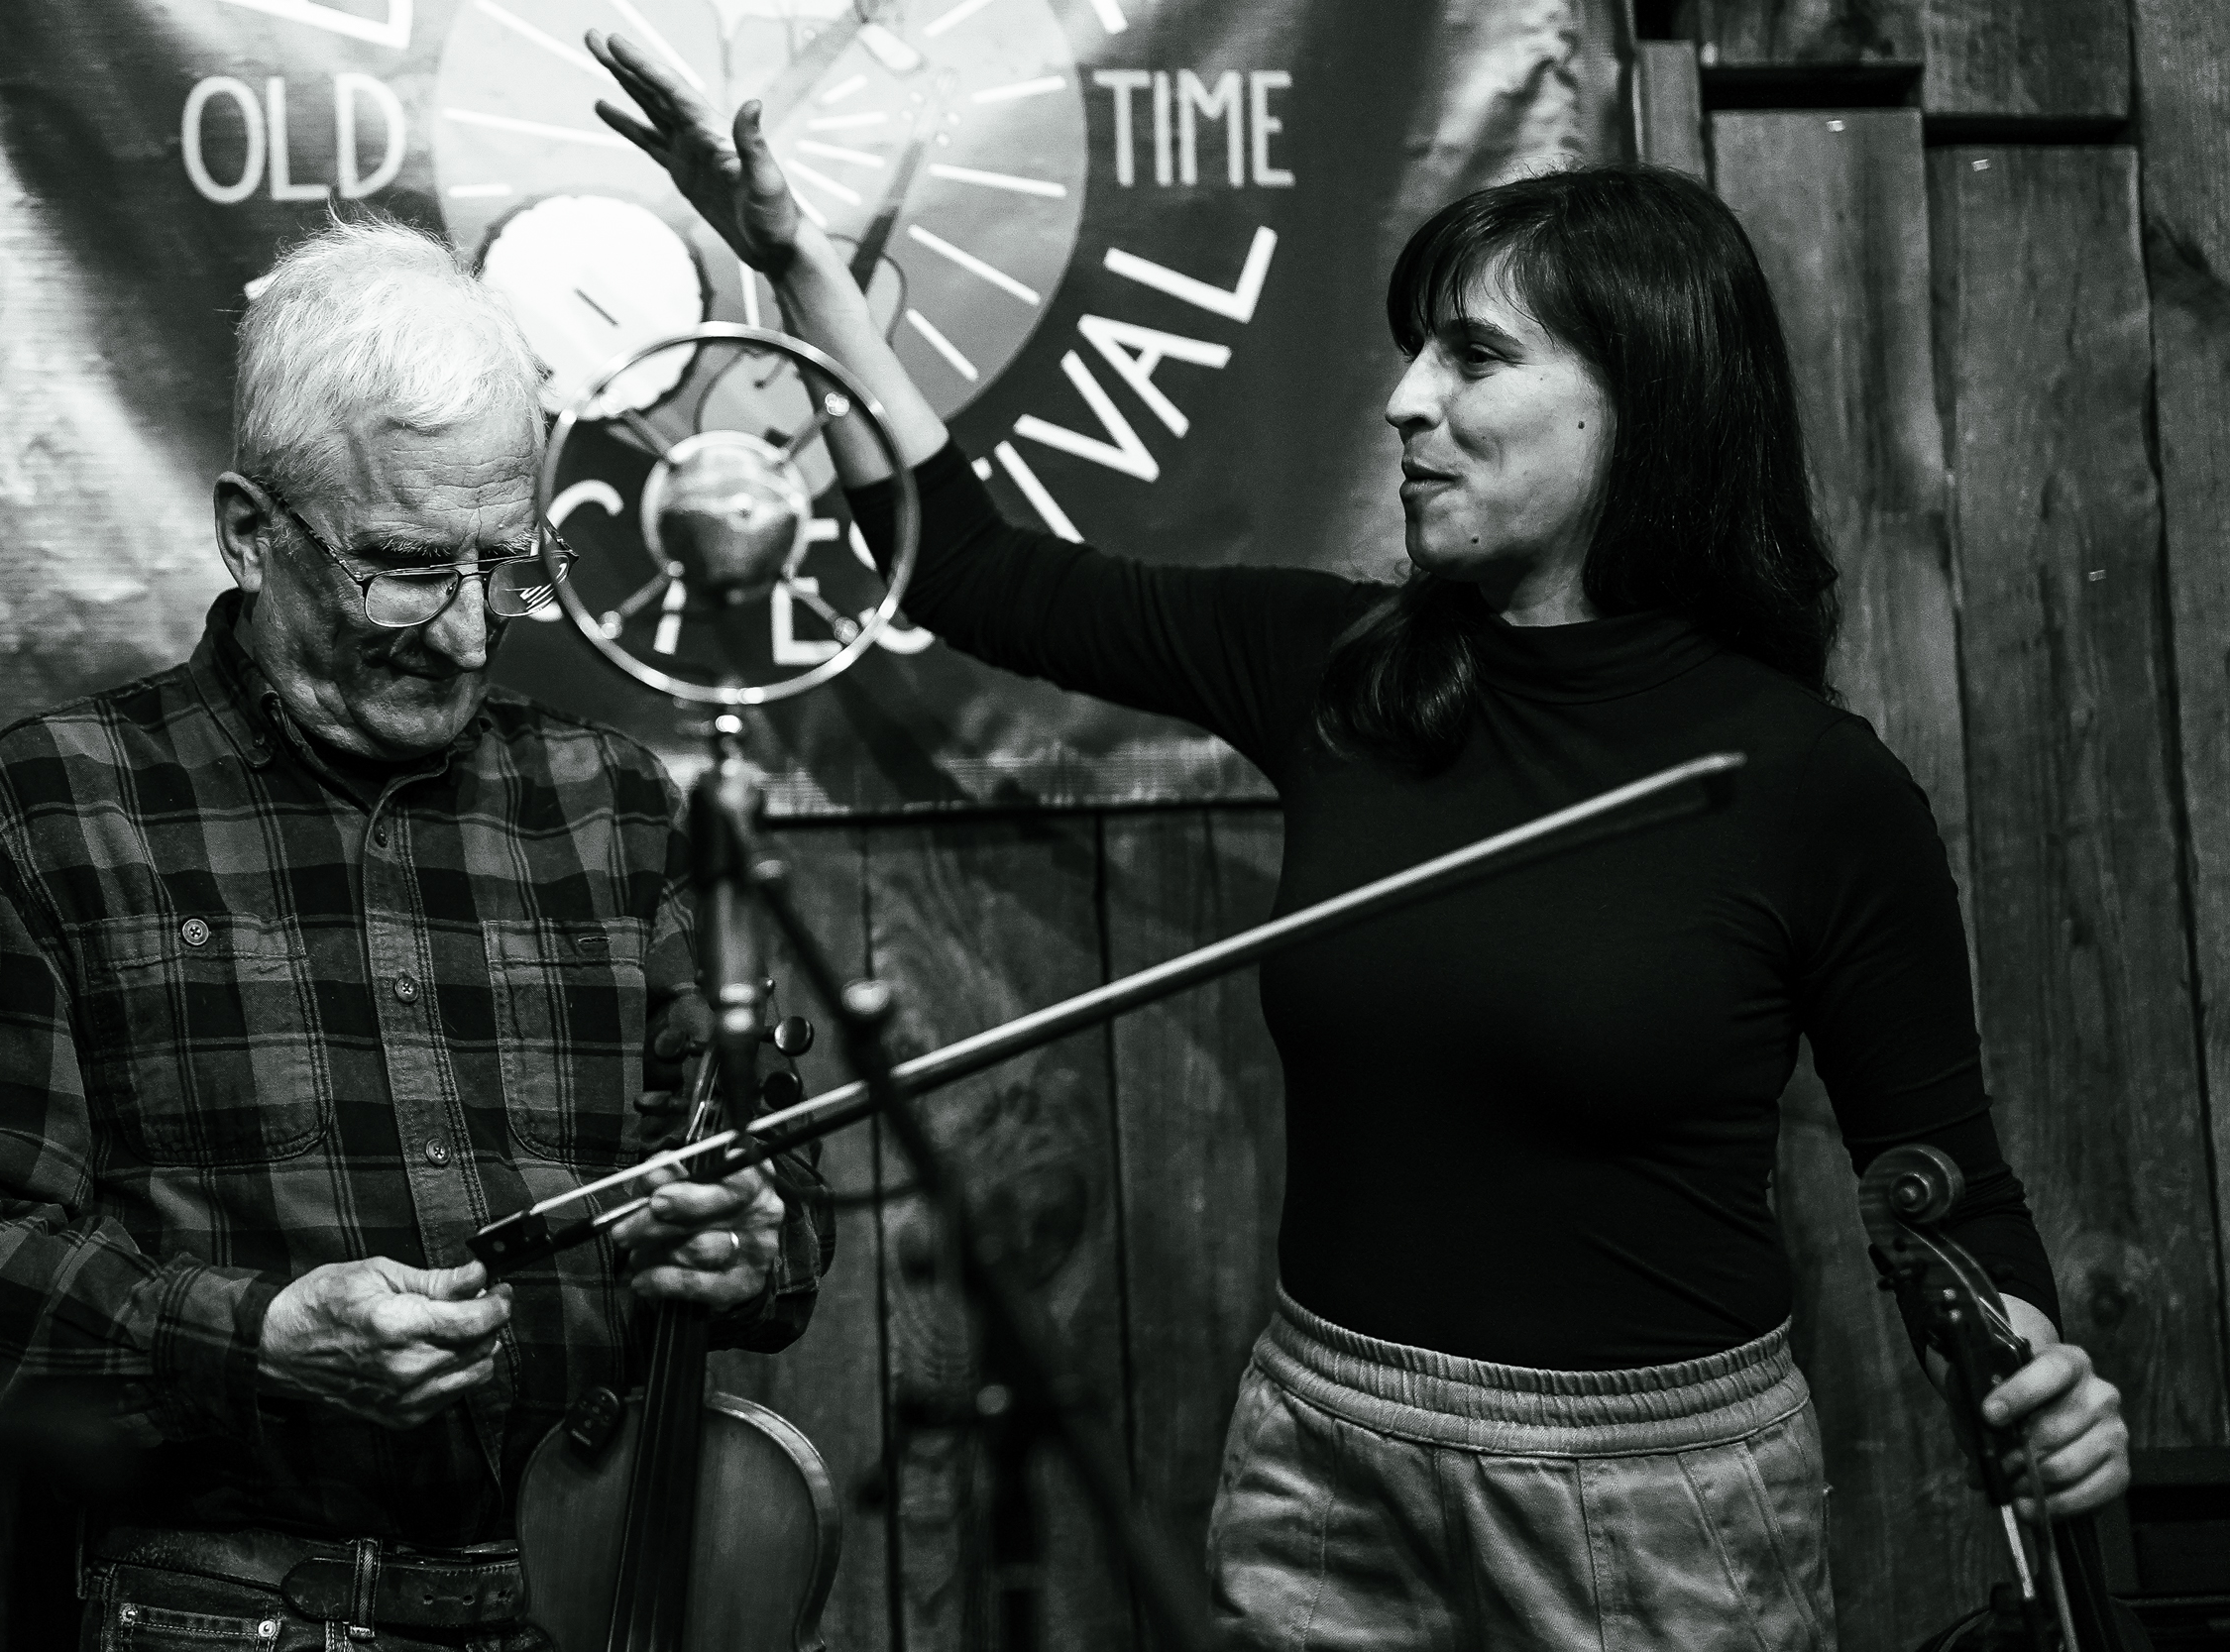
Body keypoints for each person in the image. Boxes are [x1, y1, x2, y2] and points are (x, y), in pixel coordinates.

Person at [584, 32, 2132, 1650]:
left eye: (1474, 359)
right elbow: (962, 567)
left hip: (1652, 1505)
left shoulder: (1813, 787)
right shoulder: (1341, 670)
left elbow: (1941, 1184)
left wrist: (2031, 1374)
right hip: (1322, 1457)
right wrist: (796, 265)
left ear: (1643, 403)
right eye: (1413, 355)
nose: (1406, 400)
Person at [0, 216, 830, 1651]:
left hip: (594, 1601)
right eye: (408, 567)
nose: (471, 633)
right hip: (229, 1614)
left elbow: (769, 1172)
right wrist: (249, 1337)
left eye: (510, 564)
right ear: (252, 533)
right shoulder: (58, 801)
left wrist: (755, 1240)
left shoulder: (614, 803)